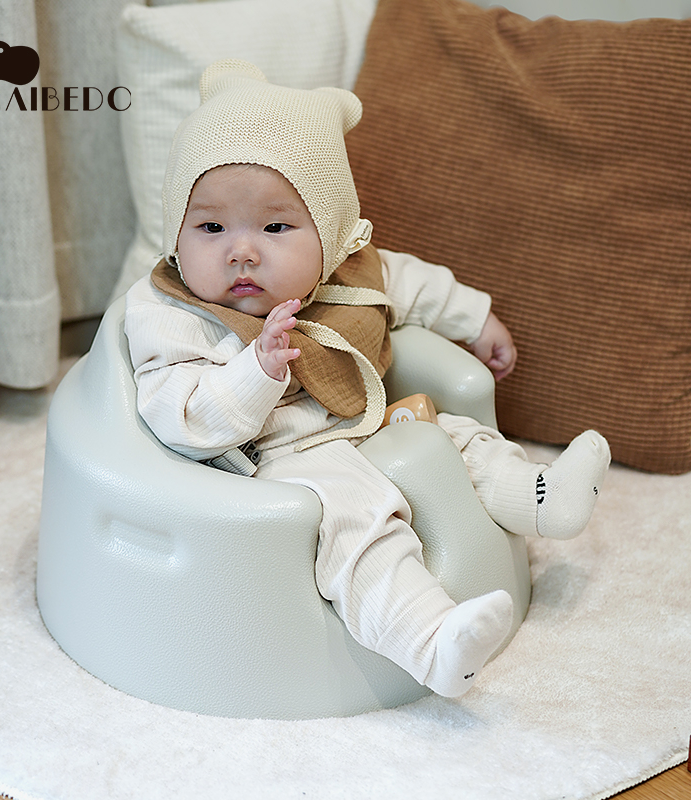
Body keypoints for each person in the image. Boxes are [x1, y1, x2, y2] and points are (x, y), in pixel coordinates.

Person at [124, 60, 611, 697]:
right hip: (276, 458)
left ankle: (542, 499)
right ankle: (430, 640)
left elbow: (411, 284)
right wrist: (254, 373)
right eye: (211, 227)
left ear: (328, 234)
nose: (241, 251)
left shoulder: (346, 274)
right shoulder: (171, 312)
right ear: (177, 230)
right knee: (360, 519)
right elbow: (180, 417)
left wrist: (477, 319)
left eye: (275, 227)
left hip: (365, 418)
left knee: (456, 438)